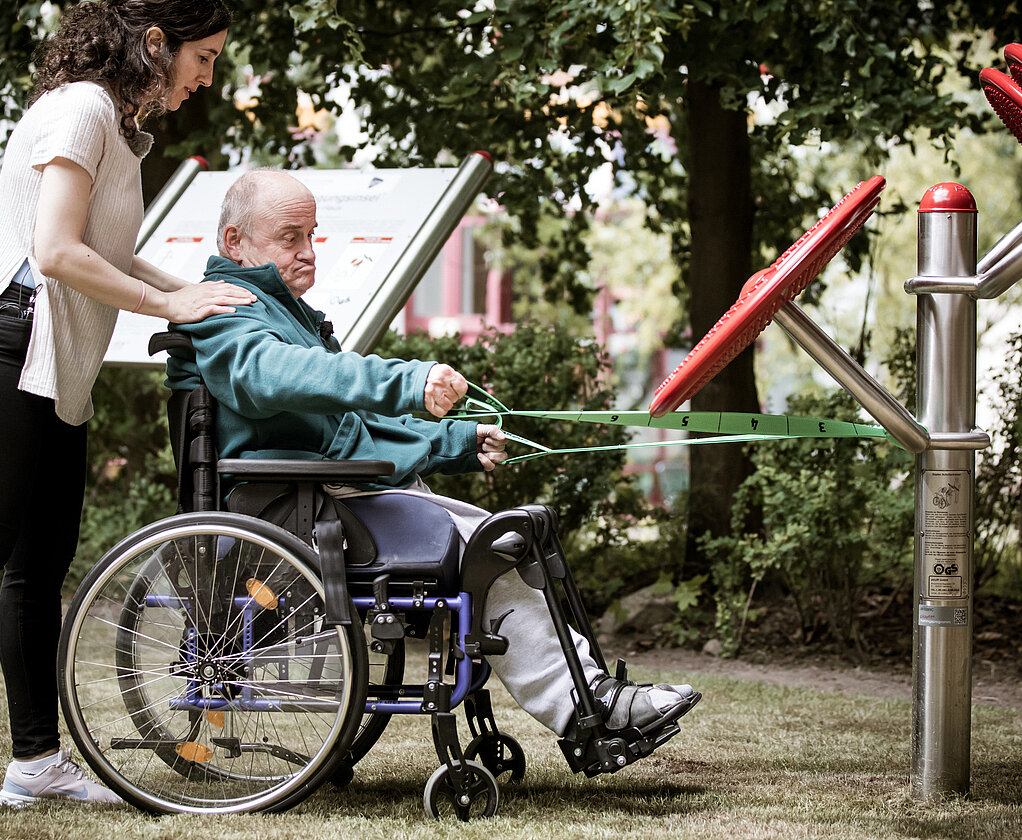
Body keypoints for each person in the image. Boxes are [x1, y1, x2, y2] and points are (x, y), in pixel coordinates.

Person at [165, 169, 701, 755]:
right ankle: (586, 707)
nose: (308, 252)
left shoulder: (276, 310)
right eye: (290, 237)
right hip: (295, 508)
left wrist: (458, 441)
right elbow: (280, 377)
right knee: (492, 548)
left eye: (313, 235)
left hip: (330, 496)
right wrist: (408, 380)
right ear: (235, 242)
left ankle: (588, 698)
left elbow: (352, 425)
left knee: (513, 539)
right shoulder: (225, 310)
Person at [0, 0, 254, 824]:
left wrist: (188, 290)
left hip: (54, 367)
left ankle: (35, 763)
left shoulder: (117, 130)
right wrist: (172, 308)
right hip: (0, 348)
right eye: (206, 56)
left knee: (39, 571)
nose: (207, 76)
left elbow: (106, 256)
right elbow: (53, 252)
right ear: (157, 43)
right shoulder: (81, 108)